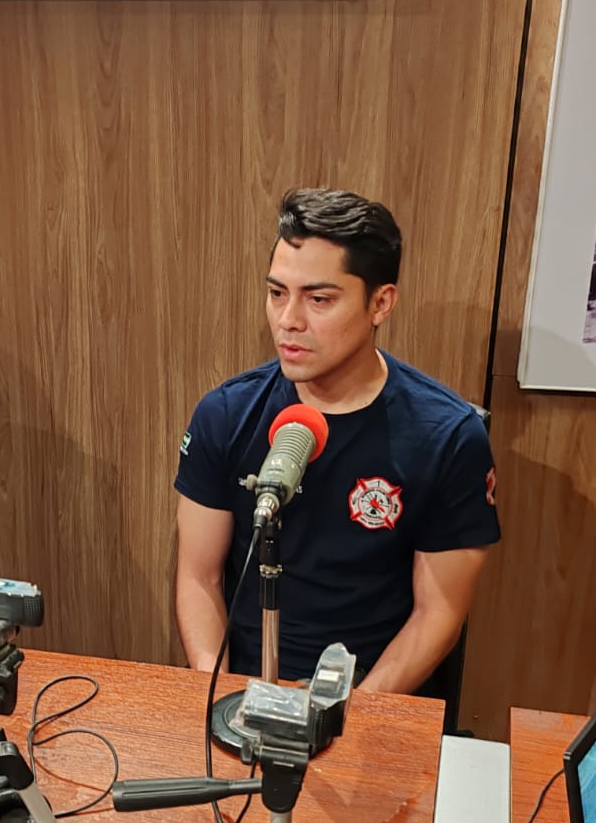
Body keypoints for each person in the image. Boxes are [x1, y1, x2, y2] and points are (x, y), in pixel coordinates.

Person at [173, 188, 500, 694]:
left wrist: (350, 714)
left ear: (380, 303)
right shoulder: (226, 414)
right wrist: (219, 694)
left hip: (372, 699)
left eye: (319, 299)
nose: (288, 321)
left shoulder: (448, 437)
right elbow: (199, 579)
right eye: (277, 293)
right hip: (244, 692)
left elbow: (438, 612)